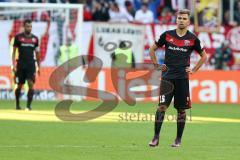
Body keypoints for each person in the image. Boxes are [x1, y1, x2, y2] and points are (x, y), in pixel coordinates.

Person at [148, 9, 207, 147]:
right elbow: (152, 49)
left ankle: (178, 140)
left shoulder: (193, 39)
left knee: (181, 110)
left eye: (184, 18)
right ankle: (156, 138)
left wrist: (194, 70)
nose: (181, 20)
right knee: (162, 107)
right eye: (179, 18)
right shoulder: (167, 35)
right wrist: (156, 65)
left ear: (188, 21)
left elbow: (204, 56)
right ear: (176, 19)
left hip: (182, 79)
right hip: (167, 78)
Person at [12, 19, 40, 110]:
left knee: (31, 84)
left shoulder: (35, 39)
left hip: (31, 65)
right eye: (28, 26)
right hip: (20, 64)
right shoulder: (18, 37)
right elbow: (14, 52)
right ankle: (17, 104)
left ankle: (28, 106)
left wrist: (38, 66)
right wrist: (13, 64)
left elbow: (37, 54)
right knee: (19, 85)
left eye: (30, 26)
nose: (29, 28)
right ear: (24, 27)